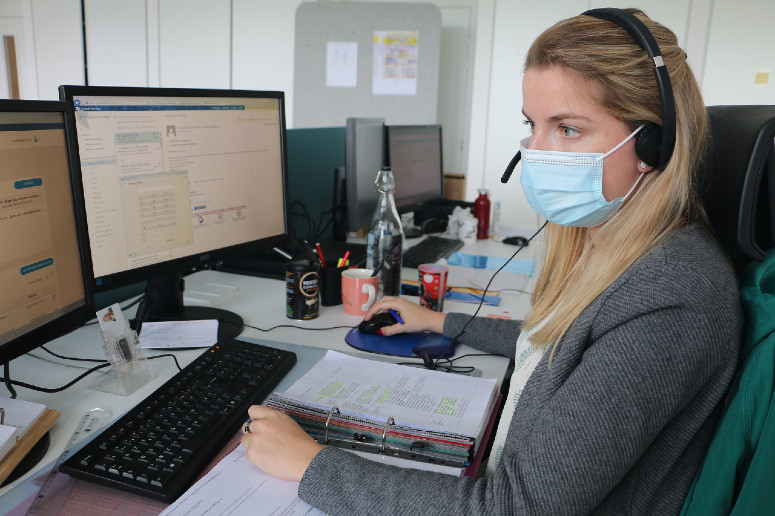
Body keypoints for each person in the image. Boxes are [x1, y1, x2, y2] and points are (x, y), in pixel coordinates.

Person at [240, 8, 742, 514]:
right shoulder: (617, 247)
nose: (536, 152)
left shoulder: (674, 295)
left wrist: (311, 465)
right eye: (533, 125)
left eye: (567, 129)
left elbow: (516, 508)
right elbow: (564, 351)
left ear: (655, 143)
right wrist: (443, 321)